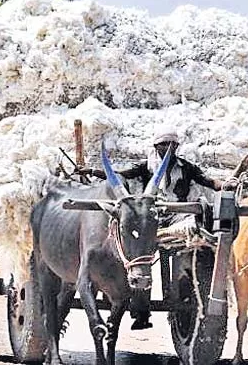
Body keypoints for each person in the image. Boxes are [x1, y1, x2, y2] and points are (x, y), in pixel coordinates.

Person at [77, 126, 238, 330]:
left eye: (172, 145)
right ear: (156, 147)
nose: (168, 149)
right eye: (164, 145)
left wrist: (225, 185)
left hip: (177, 218)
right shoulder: (147, 167)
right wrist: (92, 171)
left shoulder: (185, 167)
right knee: (141, 259)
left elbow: (206, 180)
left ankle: (187, 285)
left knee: (192, 228)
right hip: (151, 221)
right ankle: (141, 312)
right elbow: (120, 175)